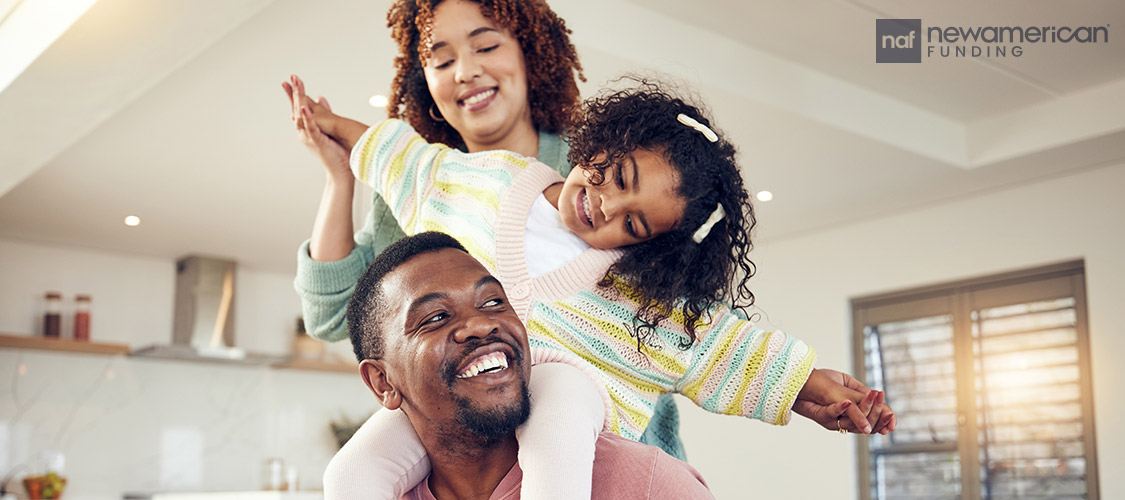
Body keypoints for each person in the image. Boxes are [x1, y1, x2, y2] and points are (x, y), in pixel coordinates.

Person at [290, 75, 896, 499]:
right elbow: (412, 162)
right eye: (618, 176)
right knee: (350, 474)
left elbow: (720, 348)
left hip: (562, 382)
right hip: (460, 395)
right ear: (605, 140)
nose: (604, 208)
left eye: (631, 224)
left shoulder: (639, 298)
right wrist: (332, 126)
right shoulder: (490, 181)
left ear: (647, 245)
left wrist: (809, 387)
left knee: (559, 432)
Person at [288, 0, 690, 472]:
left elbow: (686, 319)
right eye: (441, 60)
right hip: (476, 470)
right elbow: (332, 316)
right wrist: (341, 180)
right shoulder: (413, 192)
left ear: (528, 53)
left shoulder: (596, 177)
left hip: (621, 458)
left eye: (486, 46)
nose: (466, 71)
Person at [340, 231, 714, 499]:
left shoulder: (648, 485)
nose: (482, 323)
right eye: (436, 317)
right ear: (382, 382)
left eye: (492, 302)